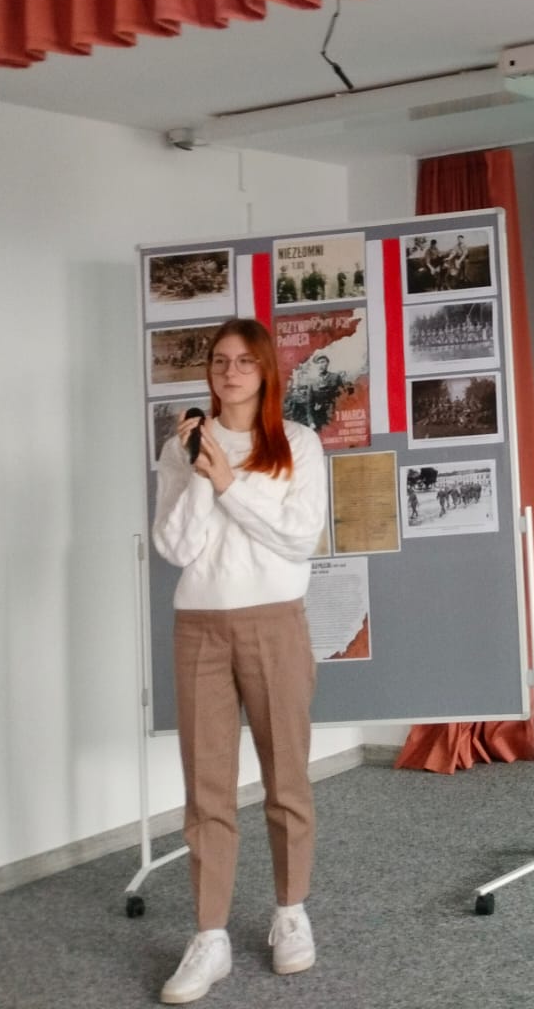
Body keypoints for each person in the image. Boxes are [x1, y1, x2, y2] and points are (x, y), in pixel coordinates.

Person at [152, 319, 330, 1003]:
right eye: (219, 361)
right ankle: (210, 935)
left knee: (286, 778)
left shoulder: (298, 444)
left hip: (275, 623)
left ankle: (290, 912)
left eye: (244, 362)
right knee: (207, 788)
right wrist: (201, 469)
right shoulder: (181, 448)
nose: (230, 373)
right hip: (200, 626)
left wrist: (229, 482)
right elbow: (177, 549)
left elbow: (298, 538)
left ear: (265, 371)